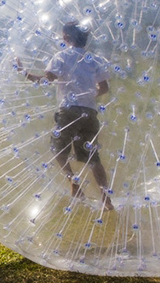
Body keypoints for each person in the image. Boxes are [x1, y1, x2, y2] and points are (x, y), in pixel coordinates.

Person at [16, 20, 114, 211]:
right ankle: (106, 197)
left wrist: (24, 72)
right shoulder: (94, 60)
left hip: (68, 110)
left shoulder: (61, 57)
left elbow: (46, 80)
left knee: (58, 148)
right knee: (92, 157)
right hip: (89, 112)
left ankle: (73, 181)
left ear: (66, 38)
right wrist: (86, 95)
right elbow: (104, 88)